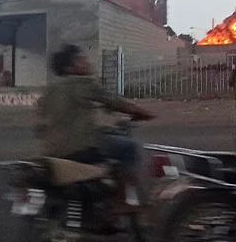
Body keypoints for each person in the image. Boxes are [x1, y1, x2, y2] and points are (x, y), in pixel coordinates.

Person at [36, 45, 154, 210]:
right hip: (80, 147)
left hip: (51, 151)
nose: (86, 62)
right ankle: (124, 200)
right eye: (81, 59)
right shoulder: (83, 83)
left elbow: (41, 122)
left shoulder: (49, 90)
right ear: (71, 68)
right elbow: (116, 102)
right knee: (129, 148)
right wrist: (145, 113)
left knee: (104, 140)